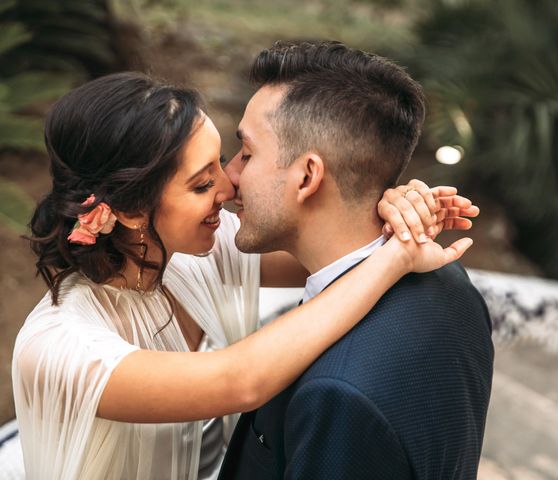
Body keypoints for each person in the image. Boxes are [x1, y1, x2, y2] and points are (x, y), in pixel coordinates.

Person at [11, 72, 477, 479]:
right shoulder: (59, 346)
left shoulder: (194, 256)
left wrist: (394, 208)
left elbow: (330, 240)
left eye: (227, 158)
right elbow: (241, 380)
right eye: (201, 182)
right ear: (132, 211)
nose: (229, 185)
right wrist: (396, 256)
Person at [218, 41, 494, 480]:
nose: (228, 177)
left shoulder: (337, 396)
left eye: (247, 154)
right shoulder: (449, 281)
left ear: (308, 176)